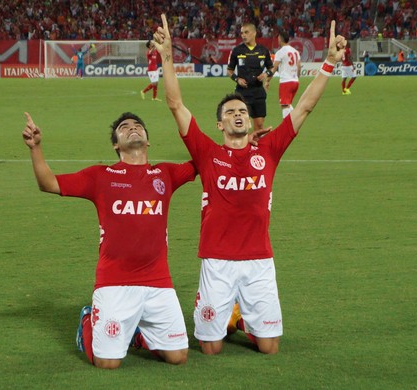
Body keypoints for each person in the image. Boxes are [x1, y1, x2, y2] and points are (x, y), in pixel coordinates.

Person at [154, 14, 346, 355]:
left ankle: (241, 316)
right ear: (219, 124)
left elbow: (304, 107)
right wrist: (168, 57)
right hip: (217, 260)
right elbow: (175, 104)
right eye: (229, 112)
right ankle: (225, 313)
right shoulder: (206, 152)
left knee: (270, 347)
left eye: (241, 110)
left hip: (259, 260)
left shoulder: (269, 150)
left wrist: (329, 63)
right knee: (210, 349)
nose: (238, 114)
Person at [21, 111, 195, 369]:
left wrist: (246, 145)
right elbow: (49, 183)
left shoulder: (166, 173)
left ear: (148, 141)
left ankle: (138, 333)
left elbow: (207, 160)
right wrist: (36, 148)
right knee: (108, 363)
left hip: (158, 282)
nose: (133, 128)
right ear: (116, 144)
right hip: (114, 281)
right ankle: (88, 320)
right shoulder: (101, 176)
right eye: (124, 127)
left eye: (138, 125)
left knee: (178, 357)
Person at [227, 22, 274, 133]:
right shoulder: (237, 50)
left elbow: (271, 69)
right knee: (242, 126)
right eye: (242, 33)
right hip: (242, 93)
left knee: (259, 126)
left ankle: (256, 150)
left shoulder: (263, 50)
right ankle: (243, 149)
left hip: (258, 92)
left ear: (254, 33)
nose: (243, 35)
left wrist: (266, 74)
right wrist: (237, 79)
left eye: (246, 32)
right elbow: (229, 71)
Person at [271, 31, 301, 118]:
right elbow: (299, 66)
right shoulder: (295, 51)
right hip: (295, 81)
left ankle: (288, 126)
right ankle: (293, 121)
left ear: (280, 39)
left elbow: (274, 67)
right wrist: (297, 77)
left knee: (284, 105)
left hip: (286, 82)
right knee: (287, 104)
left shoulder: (280, 52)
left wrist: (268, 80)